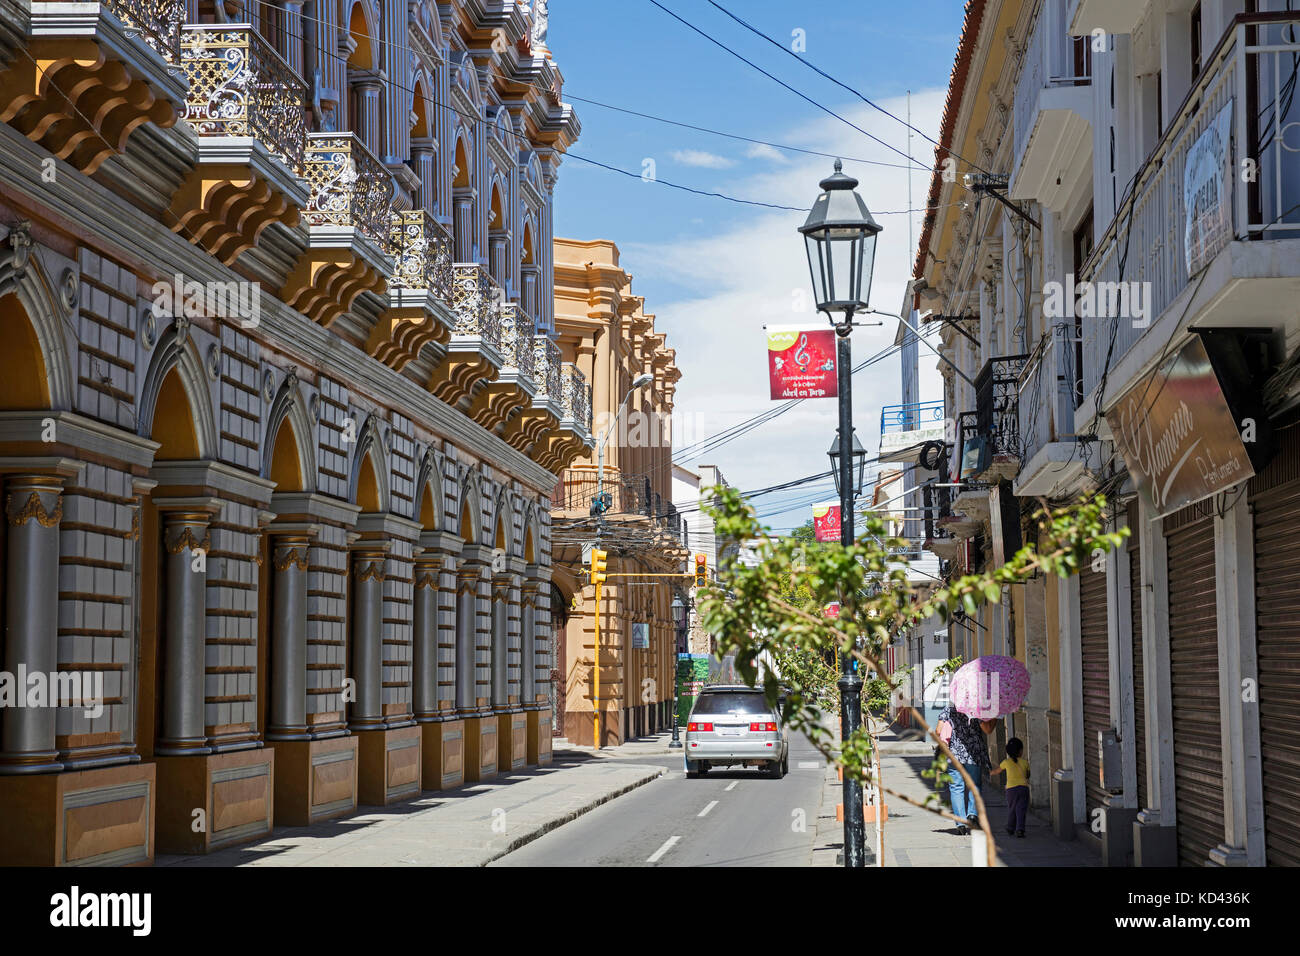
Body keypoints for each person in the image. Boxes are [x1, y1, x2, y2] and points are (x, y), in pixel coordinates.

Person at [936, 706, 993, 835]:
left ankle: (960, 824)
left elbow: (938, 730)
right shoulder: (976, 709)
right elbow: (987, 729)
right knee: (975, 785)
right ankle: (972, 815)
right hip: (974, 753)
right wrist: (994, 717)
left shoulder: (948, 710)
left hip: (954, 754)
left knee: (956, 787)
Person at [990, 736, 1030, 837]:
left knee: (1012, 808)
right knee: (1021, 809)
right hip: (1023, 788)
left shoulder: (1006, 762)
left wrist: (990, 772)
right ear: (1021, 751)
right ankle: (1020, 829)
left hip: (1011, 790)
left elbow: (997, 771)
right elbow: (1028, 775)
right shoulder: (1025, 762)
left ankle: (1010, 827)